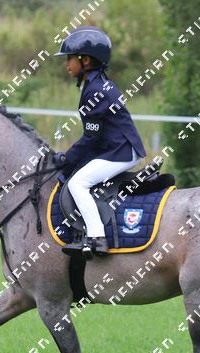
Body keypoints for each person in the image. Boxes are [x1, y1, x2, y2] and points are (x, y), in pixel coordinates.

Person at [53, 26, 146, 256]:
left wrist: (66, 158)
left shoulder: (96, 90)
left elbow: (90, 138)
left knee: (78, 184)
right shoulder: (96, 84)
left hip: (121, 151)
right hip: (113, 148)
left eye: (69, 58)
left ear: (85, 60)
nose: (66, 64)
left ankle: (97, 238)